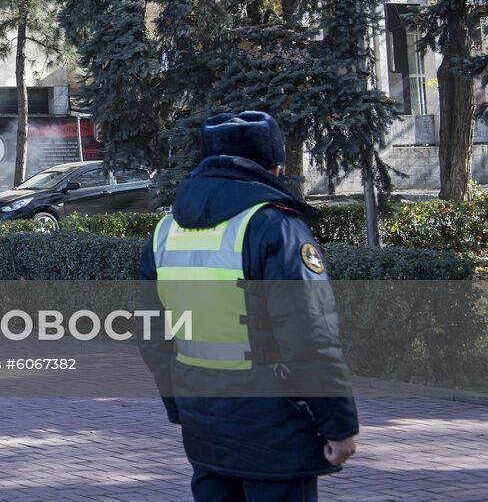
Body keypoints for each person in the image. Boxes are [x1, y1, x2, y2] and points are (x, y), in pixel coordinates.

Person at [139, 111, 358, 502]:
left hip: (204, 426)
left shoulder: (165, 232)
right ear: (274, 167)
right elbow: (310, 336)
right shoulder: (275, 226)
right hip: (277, 429)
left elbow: (151, 335)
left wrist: (179, 406)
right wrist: (339, 426)